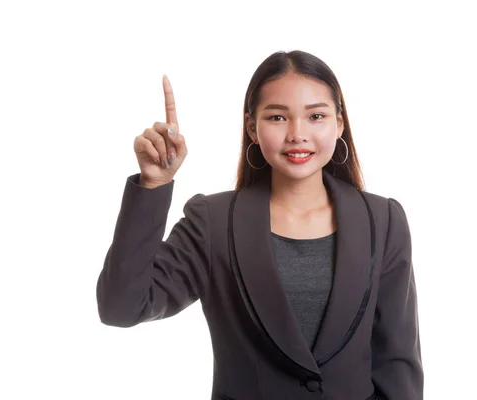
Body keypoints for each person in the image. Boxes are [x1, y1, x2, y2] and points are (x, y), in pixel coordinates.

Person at [96, 50, 423, 400]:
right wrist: (153, 185)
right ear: (252, 127)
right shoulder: (213, 222)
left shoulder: (384, 220)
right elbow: (121, 307)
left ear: (339, 124)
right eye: (278, 117)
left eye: (316, 116)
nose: (298, 134)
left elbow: (397, 366)